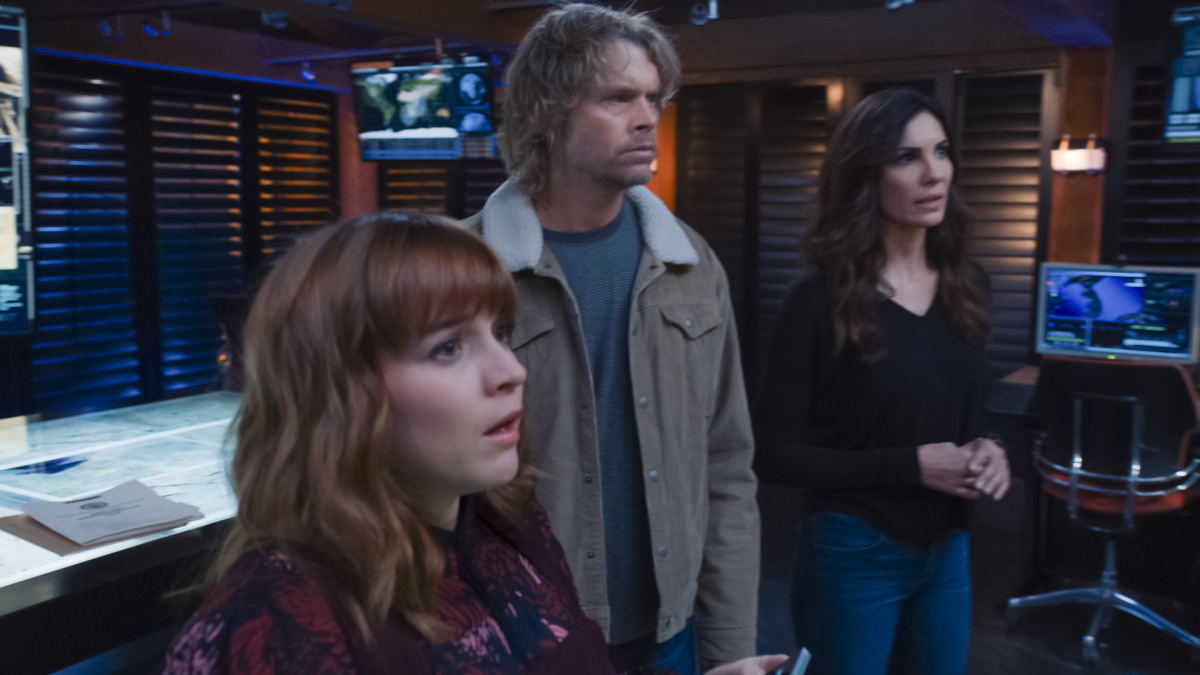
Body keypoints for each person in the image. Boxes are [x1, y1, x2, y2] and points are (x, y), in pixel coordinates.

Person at [158, 212, 785, 675]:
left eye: (500, 333)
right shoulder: (279, 625)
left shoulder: (510, 528)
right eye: (449, 347)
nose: (512, 372)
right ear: (340, 391)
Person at [466, 5, 760, 673]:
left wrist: (729, 648)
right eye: (618, 97)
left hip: (671, 634)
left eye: (654, 98)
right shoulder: (466, 267)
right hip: (525, 636)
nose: (648, 117)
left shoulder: (690, 263)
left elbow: (727, 466)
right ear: (549, 112)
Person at [755, 89, 1012, 675]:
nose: (933, 173)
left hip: (948, 549)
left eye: (940, 152)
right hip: (854, 551)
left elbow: (966, 413)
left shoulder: (969, 286)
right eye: (906, 157)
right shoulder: (817, 301)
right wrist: (912, 466)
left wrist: (991, 446)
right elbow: (773, 454)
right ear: (865, 175)